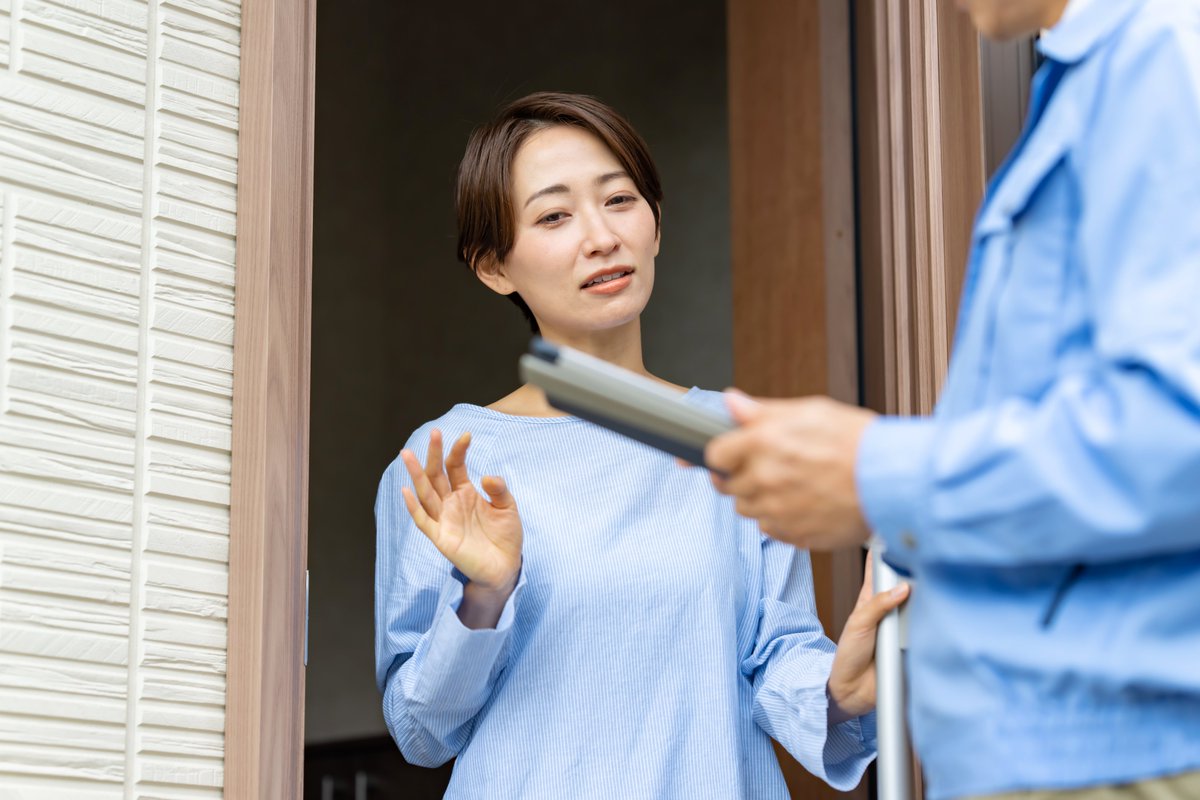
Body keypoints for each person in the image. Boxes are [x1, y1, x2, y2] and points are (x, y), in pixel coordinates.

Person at [705, 1, 1200, 799]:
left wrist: (874, 472)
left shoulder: (1163, 60)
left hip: (1111, 762)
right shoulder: (1087, 83)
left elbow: (1178, 432)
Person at [374, 92, 908, 798]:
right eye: (554, 216)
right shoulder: (450, 461)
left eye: (619, 200)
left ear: (656, 224)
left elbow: (778, 659)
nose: (601, 237)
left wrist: (844, 691)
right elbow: (420, 731)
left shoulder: (732, 439)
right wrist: (486, 594)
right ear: (493, 266)